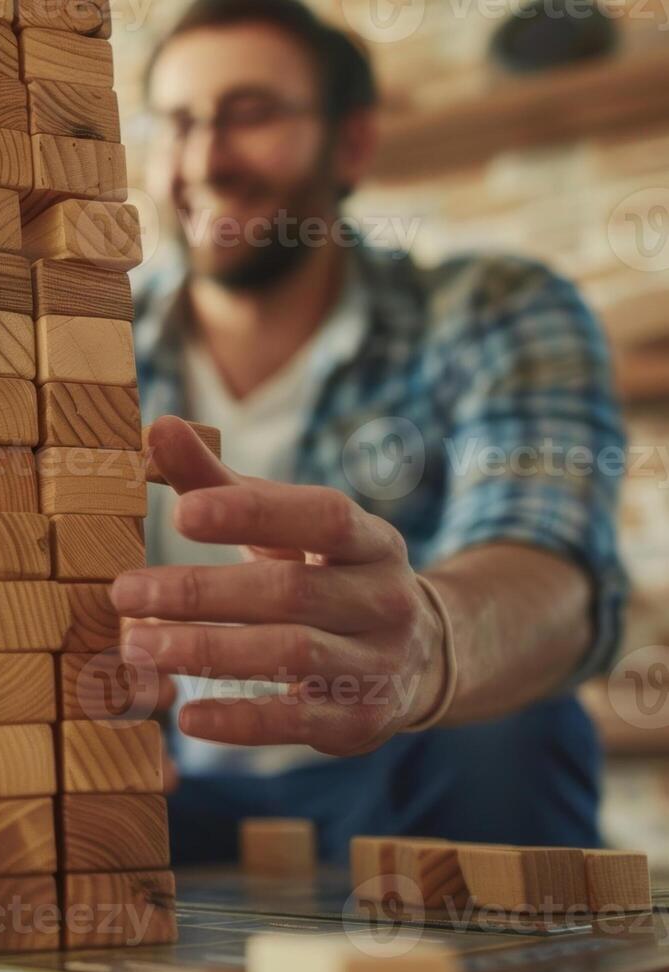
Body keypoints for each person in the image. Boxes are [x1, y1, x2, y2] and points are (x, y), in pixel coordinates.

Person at [128, 0, 626, 866]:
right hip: (166, 789)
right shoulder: (83, 344)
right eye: (178, 123)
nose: (206, 160)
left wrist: (424, 644)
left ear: (351, 144)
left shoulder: (492, 307)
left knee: (508, 727)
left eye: (252, 115)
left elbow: (551, 573)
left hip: (406, 775)